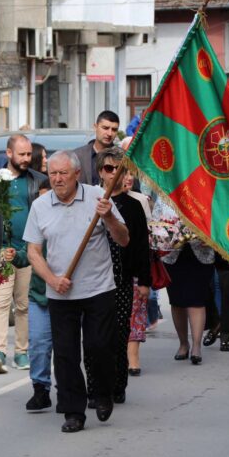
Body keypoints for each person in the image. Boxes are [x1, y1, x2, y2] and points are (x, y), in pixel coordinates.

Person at [23, 150, 129, 433]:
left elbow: (124, 239)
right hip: (61, 293)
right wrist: (52, 279)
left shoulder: (98, 197)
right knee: (66, 354)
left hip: (98, 288)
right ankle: (73, 411)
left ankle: (104, 393)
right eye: (52, 174)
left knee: (99, 347)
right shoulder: (41, 206)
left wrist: (109, 219)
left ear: (77, 175)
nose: (56, 179)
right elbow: (33, 252)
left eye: (63, 174)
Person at [0, 134, 47, 373]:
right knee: (0, 302)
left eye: (29, 154)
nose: (27, 159)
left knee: (24, 305)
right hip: (0, 255)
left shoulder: (38, 181)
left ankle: (21, 352)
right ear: (9, 153)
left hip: (29, 253)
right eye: (22, 154)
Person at [84, 147, 150, 404]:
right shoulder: (89, 200)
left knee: (119, 334)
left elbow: (141, 245)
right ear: (100, 171)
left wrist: (144, 281)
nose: (114, 174)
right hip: (93, 281)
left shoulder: (133, 205)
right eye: (109, 168)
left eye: (119, 169)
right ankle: (94, 387)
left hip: (122, 280)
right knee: (93, 338)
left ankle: (117, 384)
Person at [151, 197, 215, 365]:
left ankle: (196, 346)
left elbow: (215, 220)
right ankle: (183, 344)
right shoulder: (164, 197)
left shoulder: (202, 192)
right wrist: (168, 232)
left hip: (200, 253)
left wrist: (207, 234)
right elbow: (156, 224)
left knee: (196, 300)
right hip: (172, 255)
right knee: (177, 301)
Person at [24, 179, 53, 411]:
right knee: (38, 344)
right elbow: (28, 255)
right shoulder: (34, 219)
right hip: (39, 295)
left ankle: (69, 389)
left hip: (66, 294)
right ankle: (40, 388)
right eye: (40, 197)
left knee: (66, 347)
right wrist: (13, 254)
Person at [72, 110, 120, 185]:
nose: (109, 133)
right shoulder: (77, 156)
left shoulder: (123, 158)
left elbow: (134, 189)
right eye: (105, 128)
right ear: (95, 127)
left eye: (114, 130)